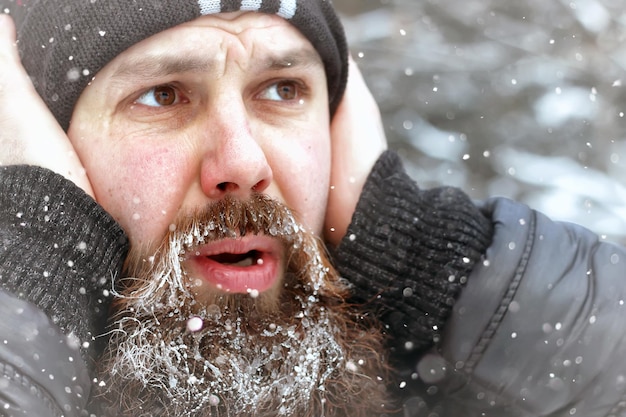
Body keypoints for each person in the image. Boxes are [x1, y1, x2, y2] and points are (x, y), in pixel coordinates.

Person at [0, 1, 624, 417]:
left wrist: (430, 259)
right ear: (48, 148)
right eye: (163, 96)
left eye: (281, 89)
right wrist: (39, 257)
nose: (243, 164)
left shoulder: (457, 381)